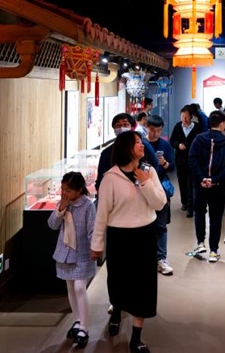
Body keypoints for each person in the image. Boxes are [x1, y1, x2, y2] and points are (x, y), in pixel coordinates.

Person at [90, 131, 166, 353]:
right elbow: (101, 215)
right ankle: (116, 311)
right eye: (136, 142)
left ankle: (136, 337)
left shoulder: (148, 171)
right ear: (126, 148)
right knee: (118, 281)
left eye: (141, 142)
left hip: (145, 235)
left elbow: (160, 203)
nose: (142, 145)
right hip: (119, 237)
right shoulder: (110, 178)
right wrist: (97, 245)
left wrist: (145, 183)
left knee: (144, 285)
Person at [48, 172, 96, 349]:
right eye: (62, 188)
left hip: (83, 253)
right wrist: (61, 208)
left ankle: (84, 327)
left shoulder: (88, 206)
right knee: (70, 287)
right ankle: (76, 321)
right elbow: (52, 225)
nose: (64, 192)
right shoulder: (63, 204)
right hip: (64, 252)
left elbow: (92, 228)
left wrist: (95, 248)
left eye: (68, 189)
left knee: (79, 287)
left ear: (79, 189)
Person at [188, 110, 225, 262]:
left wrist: (202, 178)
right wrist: (214, 179)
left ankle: (200, 243)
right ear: (222, 124)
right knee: (216, 217)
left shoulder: (198, 139)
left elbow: (192, 159)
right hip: (219, 186)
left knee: (199, 213)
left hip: (199, 185)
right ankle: (214, 251)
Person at [145, 114, 176, 276]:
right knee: (143, 224)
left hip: (160, 190)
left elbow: (172, 168)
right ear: (146, 127)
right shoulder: (141, 144)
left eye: (158, 130)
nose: (155, 133)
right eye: (152, 129)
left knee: (161, 225)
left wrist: (164, 162)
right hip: (141, 190)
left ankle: (161, 259)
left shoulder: (165, 145)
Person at [169, 106, 200, 217]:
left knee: (191, 183)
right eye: (182, 116)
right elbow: (172, 140)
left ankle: (190, 207)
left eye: (186, 117)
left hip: (193, 160)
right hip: (180, 160)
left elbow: (200, 143)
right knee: (182, 182)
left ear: (191, 117)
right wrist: (178, 145)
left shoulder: (197, 127)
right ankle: (184, 203)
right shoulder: (178, 126)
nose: (184, 119)